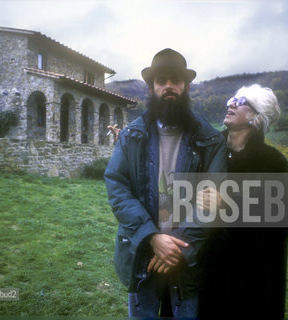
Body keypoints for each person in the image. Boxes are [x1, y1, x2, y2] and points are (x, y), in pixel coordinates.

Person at [104, 48, 227, 318]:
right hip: (142, 256)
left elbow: (213, 203)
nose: (168, 87)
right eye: (161, 81)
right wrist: (152, 237)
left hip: (188, 259)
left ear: (186, 86)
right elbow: (117, 187)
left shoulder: (210, 140)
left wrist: (175, 248)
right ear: (151, 88)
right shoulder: (131, 137)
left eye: (175, 81)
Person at [198, 84, 288, 319]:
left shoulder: (273, 163)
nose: (230, 103)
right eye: (231, 99)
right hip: (205, 270)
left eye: (240, 101)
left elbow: (283, 226)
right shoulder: (207, 150)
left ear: (256, 117)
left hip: (250, 278)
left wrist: (229, 205)